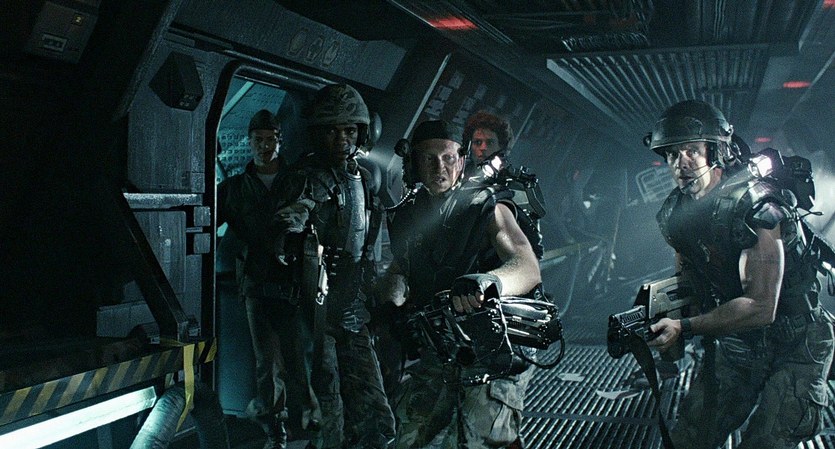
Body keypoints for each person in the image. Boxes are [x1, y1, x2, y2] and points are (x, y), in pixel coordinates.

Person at [645, 100, 834, 449]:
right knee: (688, 439)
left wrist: (685, 327)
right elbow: (688, 283)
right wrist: (660, 324)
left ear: (716, 152)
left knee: (767, 441)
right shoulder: (676, 214)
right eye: (672, 154)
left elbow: (761, 307)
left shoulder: (757, 206)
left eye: (691, 151)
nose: (680, 164)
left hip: (796, 342)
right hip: (740, 344)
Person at [383, 119, 541, 448]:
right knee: (405, 438)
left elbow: (527, 267)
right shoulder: (409, 215)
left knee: (478, 440)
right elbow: (401, 268)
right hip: (443, 346)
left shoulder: (488, 206)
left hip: (496, 345)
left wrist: (487, 281)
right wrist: (391, 300)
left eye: (448, 158)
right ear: (413, 163)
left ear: (461, 159)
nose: (439, 167)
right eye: (428, 158)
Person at [273, 83, 396, 449]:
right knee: (327, 409)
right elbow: (289, 219)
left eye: (349, 130)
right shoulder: (304, 177)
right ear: (317, 133)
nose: (342, 138)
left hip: (353, 305)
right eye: (332, 130)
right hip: (315, 308)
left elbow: (371, 237)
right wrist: (292, 228)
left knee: (375, 414)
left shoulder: (363, 178)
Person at [217, 109, 319, 449]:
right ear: (249, 143)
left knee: (299, 356)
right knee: (267, 362)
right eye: (258, 140)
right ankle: (276, 430)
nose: (264, 146)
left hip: (293, 282)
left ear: (280, 141)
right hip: (257, 284)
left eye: (270, 140)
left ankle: (308, 423)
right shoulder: (233, 189)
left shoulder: (298, 181)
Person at [463, 111, 545, 262]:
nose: (483, 148)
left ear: (501, 146)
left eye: (490, 143)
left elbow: (534, 248)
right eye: (477, 142)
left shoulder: (512, 186)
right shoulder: (458, 174)